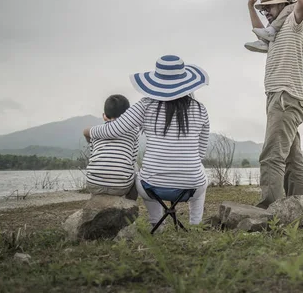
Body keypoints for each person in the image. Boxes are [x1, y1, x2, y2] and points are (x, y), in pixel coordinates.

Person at [84, 55, 210, 226]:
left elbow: (113, 129)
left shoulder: (145, 105)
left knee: (142, 175)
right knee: (200, 172)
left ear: (157, 81)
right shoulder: (200, 109)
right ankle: (195, 223)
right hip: (191, 189)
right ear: (185, 82)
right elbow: (200, 153)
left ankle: (157, 224)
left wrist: (89, 131)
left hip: (152, 188)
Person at [247, 0, 303, 208]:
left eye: (269, 8)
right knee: (292, 159)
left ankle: (269, 211)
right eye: (264, 10)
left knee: (271, 157)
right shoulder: (275, 33)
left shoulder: (295, 22)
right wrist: (250, 6)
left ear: (284, 6)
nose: (267, 14)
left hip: (285, 97)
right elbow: (260, 32)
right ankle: (302, 208)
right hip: (283, 97)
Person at [84, 94, 139, 200]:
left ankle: (95, 201)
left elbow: (92, 151)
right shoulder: (133, 132)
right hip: (120, 187)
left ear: (104, 115)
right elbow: (132, 158)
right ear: (128, 115)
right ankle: (130, 204)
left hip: (93, 184)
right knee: (135, 166)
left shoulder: (95, 131)